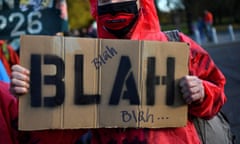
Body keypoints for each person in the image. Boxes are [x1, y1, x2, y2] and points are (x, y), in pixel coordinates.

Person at [10, 0, 227, 143]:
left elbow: (218, 95)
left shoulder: (179, 45)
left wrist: (202, 92)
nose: (113, 4)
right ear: (95, 6)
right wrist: (32, 94)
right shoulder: (83, 59)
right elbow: (59, 136)